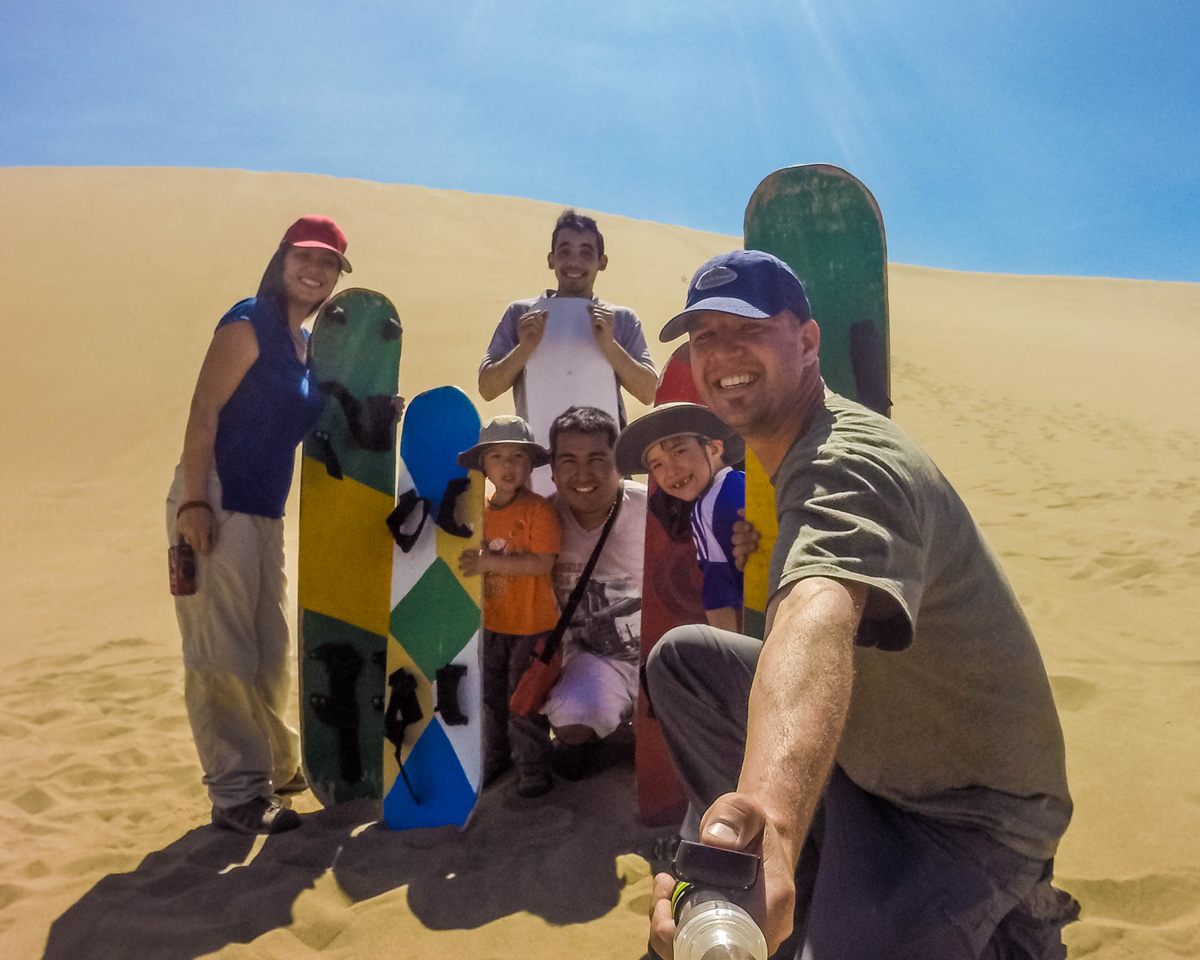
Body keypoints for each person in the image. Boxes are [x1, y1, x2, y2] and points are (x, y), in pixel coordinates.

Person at [646, 250, 1078, 958]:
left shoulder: (849, 460)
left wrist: (770, 825)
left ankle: (1005, 921)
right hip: (869, 761)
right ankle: (793, 869)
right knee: (686, 662)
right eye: (704, 337)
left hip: (966, 815)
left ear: (808, 342)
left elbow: (816, 615)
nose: (721, 353)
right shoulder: (788, 452)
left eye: (745, 329)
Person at [166, 215, 352, 835]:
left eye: (328, 263)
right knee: (221, 652)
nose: (315, 270)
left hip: (265, 511)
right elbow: (203, 410)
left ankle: (277, 766)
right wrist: (194, 502)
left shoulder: (303, 347)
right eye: (306, 256)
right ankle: (237, 793)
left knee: (269, 650)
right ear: (282, 259)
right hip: (215, 498)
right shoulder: (249, 321)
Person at [455, 415, 562, 799]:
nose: (508, 465)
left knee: (525, 700)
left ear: (531, 464)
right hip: (491, 624)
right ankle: (497, 759)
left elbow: (542, 563)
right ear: (483, 465)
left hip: (533, 625)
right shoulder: (475, 511)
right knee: (490, 699)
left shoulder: (538, 510)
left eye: (518, 456)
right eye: (497, 456)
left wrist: (487, 562)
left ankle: (532, 767)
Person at [543, 405, 647, 779]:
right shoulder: (541, 523)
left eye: (597, 459)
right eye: (568, 461)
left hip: (662, 657)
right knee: (571, 725)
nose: (583, 474)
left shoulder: (655, 510)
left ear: (619, 462)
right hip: (598, 660)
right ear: (552, 470)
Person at [477, 209, 658, 423]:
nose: (574, 262)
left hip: (604, 453)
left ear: (602, 262)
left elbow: (649, 393)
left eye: (586, 253)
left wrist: (609, 345)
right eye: (564, 252)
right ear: (551, 259)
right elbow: (487, 389)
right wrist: (524, 349)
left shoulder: (622, 319)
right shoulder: (521, 313)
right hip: (538, 452)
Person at [615, 403, 746, 632]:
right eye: (657, 465)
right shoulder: (744, 482)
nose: (671, 470)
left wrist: (731, 653)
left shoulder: (706, 507)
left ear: (714, 449)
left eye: (679, 452)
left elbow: (719, 590)